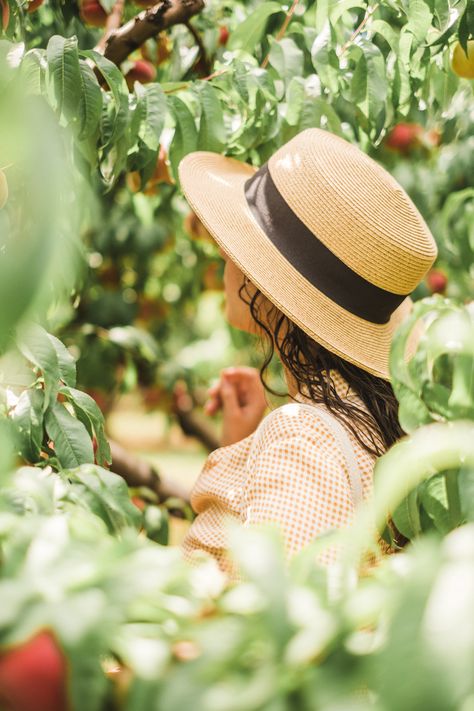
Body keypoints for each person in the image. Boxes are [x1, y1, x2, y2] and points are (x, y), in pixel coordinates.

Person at [177, 128, 437, 576]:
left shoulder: (303, 442)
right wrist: (244, 442)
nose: (223, 254)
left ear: (265, 283)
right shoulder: (369, 420)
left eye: (237, 244)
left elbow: (280, 627)